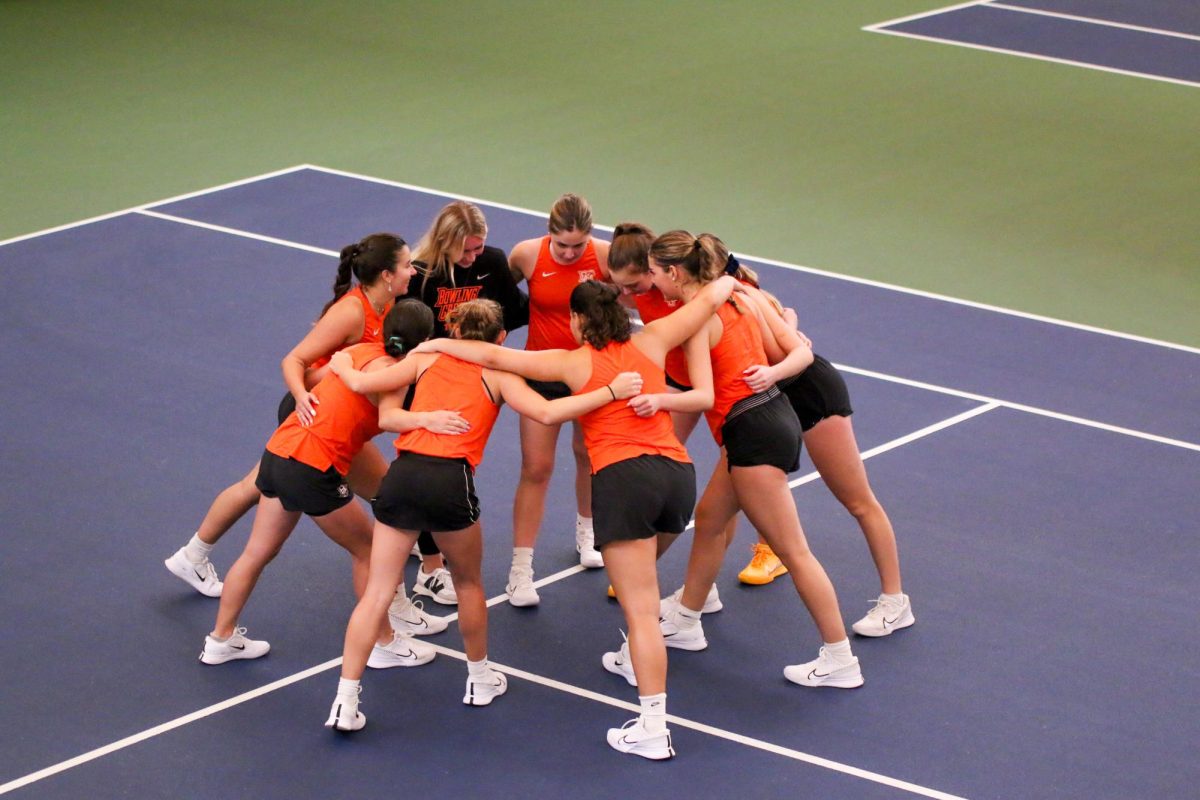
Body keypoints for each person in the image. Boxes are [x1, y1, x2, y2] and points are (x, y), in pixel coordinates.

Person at [402, 278, 744, 760]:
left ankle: (652, 727)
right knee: (642, 584)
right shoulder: (655, 338)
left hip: (625, 482)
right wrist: (733, 275)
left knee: (641, 612)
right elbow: (711, 296)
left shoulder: (571, 360)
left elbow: (496, 358)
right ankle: (636, 660)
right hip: (676, 477)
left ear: (578, 321)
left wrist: (437, 341)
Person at [323, 299, 643, 732]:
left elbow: (363, 384)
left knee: (378, 592)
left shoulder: (424, 360)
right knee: (469, 583)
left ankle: (344, 700)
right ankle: (478, 680)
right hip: (451, 483)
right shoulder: (499, 374)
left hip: (402, 477)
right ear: (499, 339)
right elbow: (548, 412)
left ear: (454, 331)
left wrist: (342, 364)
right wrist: (610, 392)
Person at [610, 227, 913, 636]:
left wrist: (772, 371)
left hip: (803, 394)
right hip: (756, 407)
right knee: (714, 513)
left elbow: (800, 354)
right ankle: (694, 602)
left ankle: (895, 601)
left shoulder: (736, 300)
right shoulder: (714, 300)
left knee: (857, 500)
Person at [164, 233, 446, 636]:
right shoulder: (352, 311)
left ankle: (194, 554)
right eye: (405, 265)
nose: (412, 270)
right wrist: (313, 390)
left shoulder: (389, 307)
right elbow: (296, 360)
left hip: (335, 414)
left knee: (261, 487)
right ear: (386, 275)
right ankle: (392, 613)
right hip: (312, 410)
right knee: (379, 510)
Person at [637, 230, 865, 689]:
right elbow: (791, 342)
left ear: (674, 273)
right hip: (767, 421)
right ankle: (685, 620)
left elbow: (701, 394)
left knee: (793, 551)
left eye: (656, 273)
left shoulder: (697, 317)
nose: (653, 282)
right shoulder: (740, 298)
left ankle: (840, 658)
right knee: (709, 518)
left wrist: (654, 402)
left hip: (752, 433)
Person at [198, 300, 461, 666]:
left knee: (257, 552)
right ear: (424, 339)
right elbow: (389, 419)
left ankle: (220, 639)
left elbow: (322, 382)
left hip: (279, 452)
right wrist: (430, 419)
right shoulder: (395, 373)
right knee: (368, 551)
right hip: (313, 468)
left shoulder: (355, 351)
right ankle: (383, 643)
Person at [400, 200, 530, 605]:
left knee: (444, 468)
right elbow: (407, 333)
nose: (475, 257)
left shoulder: (492, 261)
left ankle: (415, 540)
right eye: (467, 250)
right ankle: (431, 568)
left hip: (473, 386)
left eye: (479, 248)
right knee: (422, 464)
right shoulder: (420, 276)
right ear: (445, 241)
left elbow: (516, 313)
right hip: (428, 383)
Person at [505, 193, 611, 604]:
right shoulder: (527, 255)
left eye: (577, 245)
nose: (569, 253)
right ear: (548, 233)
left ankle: (588, 536)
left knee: (589, 456)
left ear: (591, 237)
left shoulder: (603, 257)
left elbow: (634, 298)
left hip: (590, 373)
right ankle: (520, 570)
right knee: (537, 468)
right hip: (539, 373)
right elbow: (499, 297)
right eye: (562, 244)